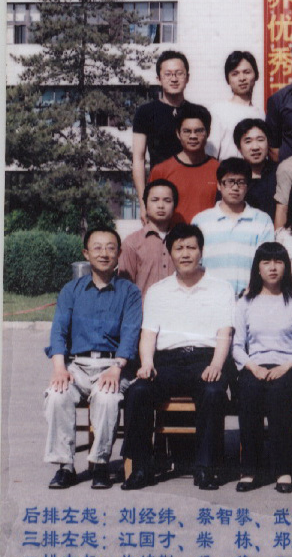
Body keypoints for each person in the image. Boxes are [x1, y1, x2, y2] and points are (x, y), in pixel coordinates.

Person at [121, 224, 235, 491]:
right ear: (170, 253)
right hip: (167, 361)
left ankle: (206, 468)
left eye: (191, 248)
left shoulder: (221, 288)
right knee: (138, 391)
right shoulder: (158, 291)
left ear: (201, 251)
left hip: (205, 359)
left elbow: (225, 332)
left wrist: (216, 364)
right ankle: (141, 467)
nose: (185, 254)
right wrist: (147, 363)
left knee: (213, 392)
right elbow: (148, 334)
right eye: (179, 248)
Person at [44, 227, 142, 489]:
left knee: (107, 397)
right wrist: (59, 368)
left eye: (110, 247)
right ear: (86, 253)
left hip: (112, 366)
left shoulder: (130, 292)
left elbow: (131, 333)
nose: (104, 253)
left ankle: (100, 464)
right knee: (57, 395)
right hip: (77, 365)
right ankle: (65, 466)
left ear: (119, 253)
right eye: (97, 247)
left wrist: (117, 367)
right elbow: (58, 332)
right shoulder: (71, 290)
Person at [232, 242, 292, 494]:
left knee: (278, 394)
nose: (273, 268)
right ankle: (249, 469)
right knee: (249, 391)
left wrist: (286, 367)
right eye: (266, 262)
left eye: (278, 262)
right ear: (258, 268)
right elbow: (237, 346)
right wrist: (253, 367)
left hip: (288, 366)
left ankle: (283, 470)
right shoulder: (246, 302)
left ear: (286, 266)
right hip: (255, 365)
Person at [132, 50, 207, 219]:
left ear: (187, 77)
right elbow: (138, 159)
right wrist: (143, 202)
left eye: (179, 73)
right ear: (159, 78)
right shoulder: (145, 112)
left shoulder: (198, 112)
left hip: (193, 188)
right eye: (168, 74)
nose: (174, 79)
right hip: (160, 191)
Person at [192, 158, 274, 296]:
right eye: (230, 181)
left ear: (248, 186)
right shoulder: (201, 221)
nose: (235, 188)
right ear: (219, 185)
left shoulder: (262, 221)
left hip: (249, 299)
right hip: (209, 298)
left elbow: (267, 263)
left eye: (241, 182)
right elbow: (194, 264)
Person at [148, 103, 218, 226]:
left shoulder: (219, 170)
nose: (193, 136)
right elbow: (152, 214)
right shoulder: (161, 171)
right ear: (178, 133)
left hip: (210, 235)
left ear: (208, 132)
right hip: (173, 236)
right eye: (187, 131)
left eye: (199, 131)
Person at [119, 179, 178, 297]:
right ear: (145, 204)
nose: (161, 206)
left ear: (174, 205)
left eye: (167, 200)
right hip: (144, 308)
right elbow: (124, 288)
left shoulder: (182, 241)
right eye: (155, 200)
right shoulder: (131, 243)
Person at [207, 51, 262, 159]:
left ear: (256, 75)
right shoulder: (218, 111)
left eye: (247, 72)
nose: (242, 78)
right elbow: (210, 154)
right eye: (235, 74)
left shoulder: (260, 113)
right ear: (228, 79)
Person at [233, 118, 278, 220]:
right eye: (248, 141)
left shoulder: (280, 173)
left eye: (260, 140)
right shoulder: (232, 177)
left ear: (268, 143)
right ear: (239, 148)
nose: (255, 147)